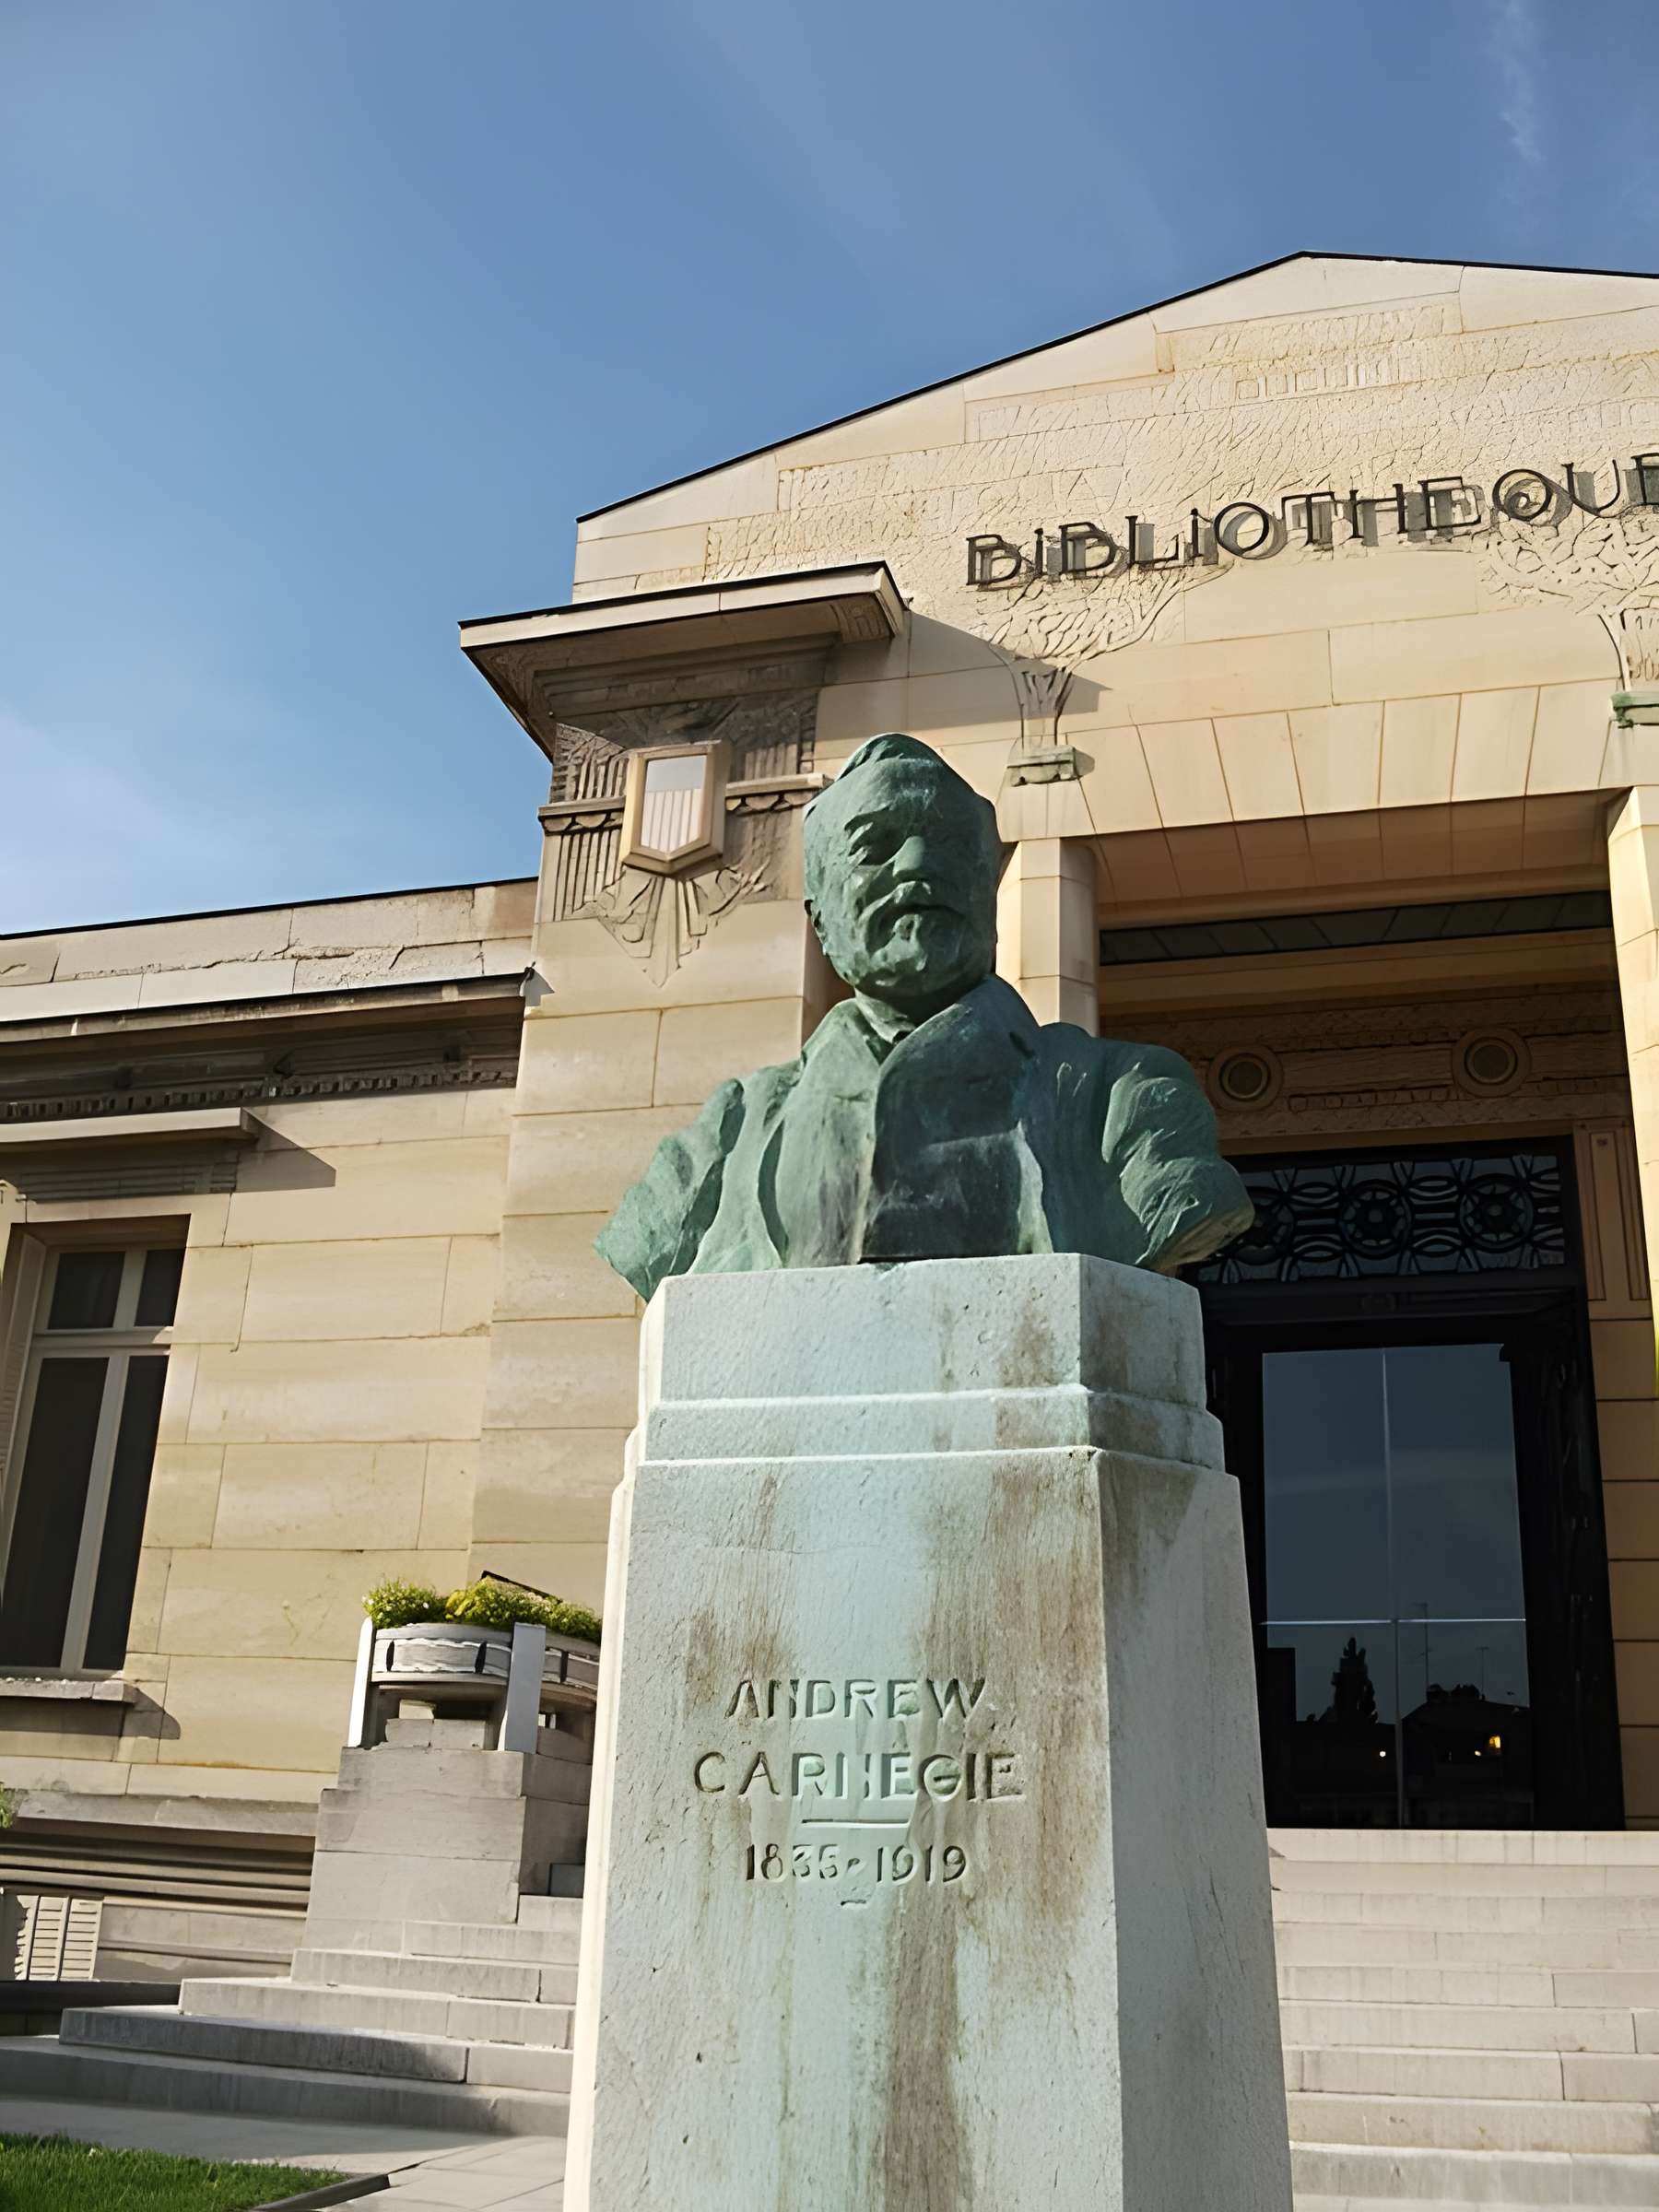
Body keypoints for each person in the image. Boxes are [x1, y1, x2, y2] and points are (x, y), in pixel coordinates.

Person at [596, 733, 1251, 1298]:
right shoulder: (730, 1132)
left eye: (946, 842)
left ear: (988, 893)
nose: (915, 864)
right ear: (819, 916)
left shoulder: (1124, 1098)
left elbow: (1179, 1209)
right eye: (874, 847)